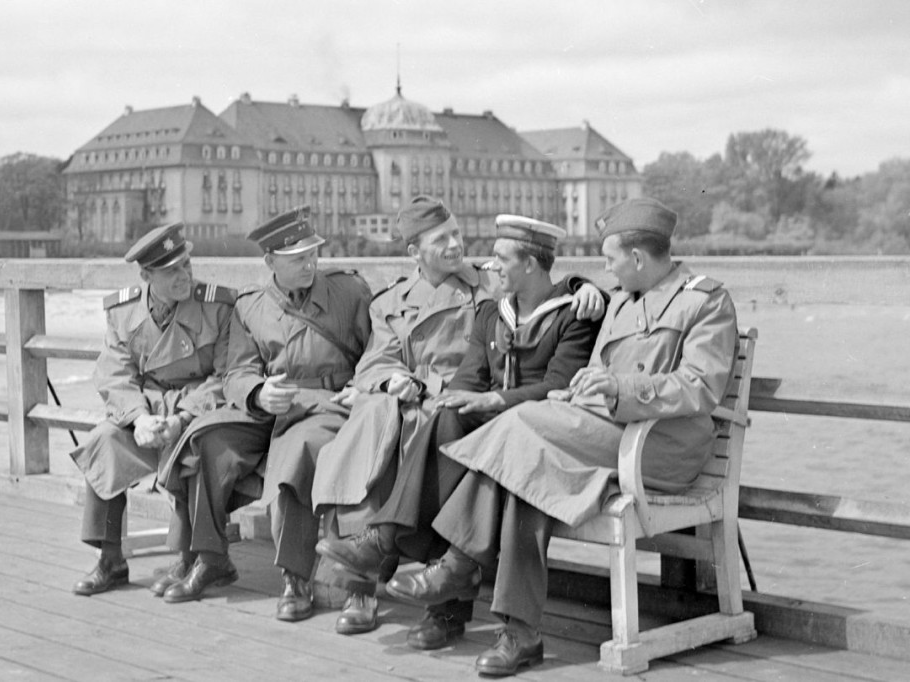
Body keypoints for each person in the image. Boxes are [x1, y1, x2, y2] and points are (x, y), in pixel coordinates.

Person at [389, 197, 739, 677]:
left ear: (636, 259)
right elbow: (593, 362)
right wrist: (581, 390)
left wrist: (620, 387)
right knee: (525, 469)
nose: (605, 267)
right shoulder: (621, 298)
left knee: (520, 428)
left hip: (661, 450)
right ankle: (520, 633)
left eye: (610, 258)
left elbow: (701, 386)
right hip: (606, 433)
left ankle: (460, 563)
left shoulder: (705, 300)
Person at [310, 197, 604, 636]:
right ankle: (367, 584)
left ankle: (425, 589)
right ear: (414, 252)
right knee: (369, 437)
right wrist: (393, 380)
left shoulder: (487, 283)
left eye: (456, 234)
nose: (455, 245)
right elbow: (376, 360)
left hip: (476, 410)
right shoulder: (393, 299)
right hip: (434, 406)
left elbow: (544, 280)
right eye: (441, 239)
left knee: (433, 438)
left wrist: (584, 284)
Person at [158, 205, 372, 614]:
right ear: (270, 261)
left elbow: (377, 350)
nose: (309, 265)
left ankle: (295, 578)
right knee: (208, 438)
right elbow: (236, 372)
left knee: (296, 451)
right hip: (271, 407)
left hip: (325, 406)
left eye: (313, 255)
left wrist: (361, 386)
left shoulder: (349, 292)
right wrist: (257, 392)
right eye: (297, 260)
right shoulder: (251, 306)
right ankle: (210, 557)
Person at [69, 222, 235, 596]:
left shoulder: (217, 306)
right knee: (104, 440)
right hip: (146, 412)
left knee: (196, 450)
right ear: (146, 275)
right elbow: (113, 374)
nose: (184, 276)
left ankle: (190, 557)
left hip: (196, 413)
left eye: (186, 265)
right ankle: (110, 560)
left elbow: (226, 376)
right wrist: (139, 418)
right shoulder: (122, 311)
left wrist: (182, 417)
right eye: (172, 270)